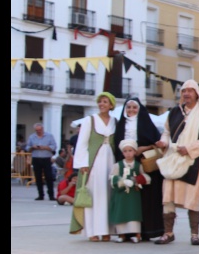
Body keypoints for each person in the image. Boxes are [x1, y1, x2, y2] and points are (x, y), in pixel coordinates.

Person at [154, 79, 199, 245]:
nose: (186, 94)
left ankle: (195, 234)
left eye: (190, 91)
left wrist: (189, 149)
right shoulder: (174, 112)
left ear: (197, 94)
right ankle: (168, 233)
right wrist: (163, 142)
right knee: (168, 197)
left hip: (192, 161)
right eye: (184, 91)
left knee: (193, 198)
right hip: (172, 160)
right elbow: (166, 132)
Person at [113, 97, 165, 241]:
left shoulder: (147, 124)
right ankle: (127, 232)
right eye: (128, 107)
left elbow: (157, 142)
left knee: (146, 199)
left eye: (134, 107)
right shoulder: (120, 126)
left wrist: (144, 147)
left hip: (144, 165)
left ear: (140, 109)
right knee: (127, 198)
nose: (131, 110)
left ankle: (147, 231)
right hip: (126, 165)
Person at [71, 92, 118, 241]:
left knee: (108, 194)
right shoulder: (89, 120)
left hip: (110, 161)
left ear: (111, 105)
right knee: (93, 194)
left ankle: (106, 231)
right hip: (94, 162)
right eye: (100, 102)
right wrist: (83, 164)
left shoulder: (115, 121)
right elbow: (82, 143)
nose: (102, 104)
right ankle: (91, 231)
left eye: (105, 102)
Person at [109, 139, 150, 243]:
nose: (128, 153)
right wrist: (122, 182)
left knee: (134, 213)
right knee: (121, 213)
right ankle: (122, 235)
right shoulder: (118, 165)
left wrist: (137, 180)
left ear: (135, 152)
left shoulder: (138, 165)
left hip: (133, 195)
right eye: (125, 151)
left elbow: (145, 177)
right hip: (121, 195)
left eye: (130, 150)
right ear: (122, 153)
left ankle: (137, 235)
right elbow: (111, 177)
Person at [24, 122, 58, 201]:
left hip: (46, 158)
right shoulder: (32, 137)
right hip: (36, 158)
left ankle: (51, 195)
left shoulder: (49, 136)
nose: (38, 131)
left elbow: (54, 146)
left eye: (39, 130)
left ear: (42, 129)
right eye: (36, 130)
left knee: (49, 177)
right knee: (38, 177)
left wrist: (46, 147)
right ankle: (40, 195)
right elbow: (27, 147)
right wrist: (32, 147)